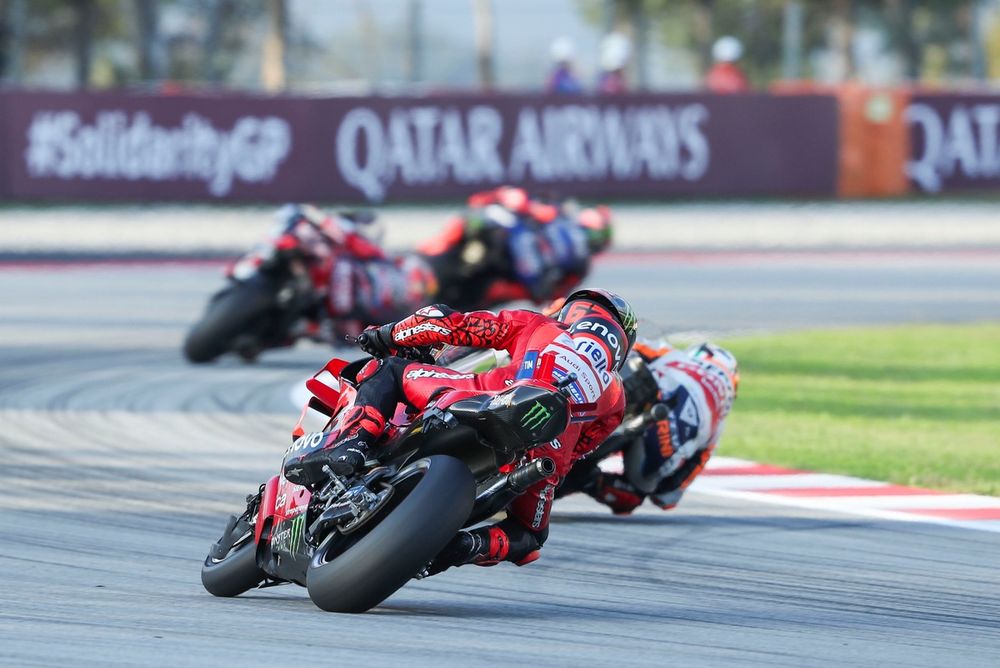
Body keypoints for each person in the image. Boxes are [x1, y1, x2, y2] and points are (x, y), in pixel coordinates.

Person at [284, 289, 637, 569]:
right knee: (529, 537)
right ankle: (465, 546)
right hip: (538, 455)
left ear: (573, 314)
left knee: (390, 369)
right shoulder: (616, 397)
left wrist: (387, 334)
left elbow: (449, 324)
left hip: (479, 399)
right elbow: (581, 451)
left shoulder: (542, 326)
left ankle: (353, 444)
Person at [558, 339, 739, 514]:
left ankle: (565, 402)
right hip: (655, 453)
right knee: (635, 495)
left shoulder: (675, 355)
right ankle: (589, 480)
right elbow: (668, 498)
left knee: (621, 369)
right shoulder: (716, 429)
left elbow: (626, 345)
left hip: (640, 399)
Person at [417, 186, 613, 309]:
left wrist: (536, 288)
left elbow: (553, 296)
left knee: (491, 296)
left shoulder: (580, 267)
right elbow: (517, 200)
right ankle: (427, 251)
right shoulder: (558, 211)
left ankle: (450, 321)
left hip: (509, 274)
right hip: (504, 237)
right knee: (470, 220)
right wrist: (518, 205)